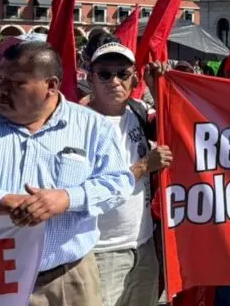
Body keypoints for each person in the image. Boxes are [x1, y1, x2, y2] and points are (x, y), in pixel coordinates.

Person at [0, 41, 134, 305]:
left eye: (16, 83)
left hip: (67, 277)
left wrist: (67, 199)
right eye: (0, 79)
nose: (0, 90)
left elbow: (118, 182)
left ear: (51, 86)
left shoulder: (92, 126)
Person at [87, 40, 173, 306]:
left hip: (142, 243)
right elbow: (86, 190)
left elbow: (175, 126)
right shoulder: (80, 123)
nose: (114, 81)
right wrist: (144, 166)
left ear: (134, 79)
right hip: (101, 250)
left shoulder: (138, 111)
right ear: (90, 79)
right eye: (105, 74)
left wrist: (158, 87)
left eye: (122, 74)